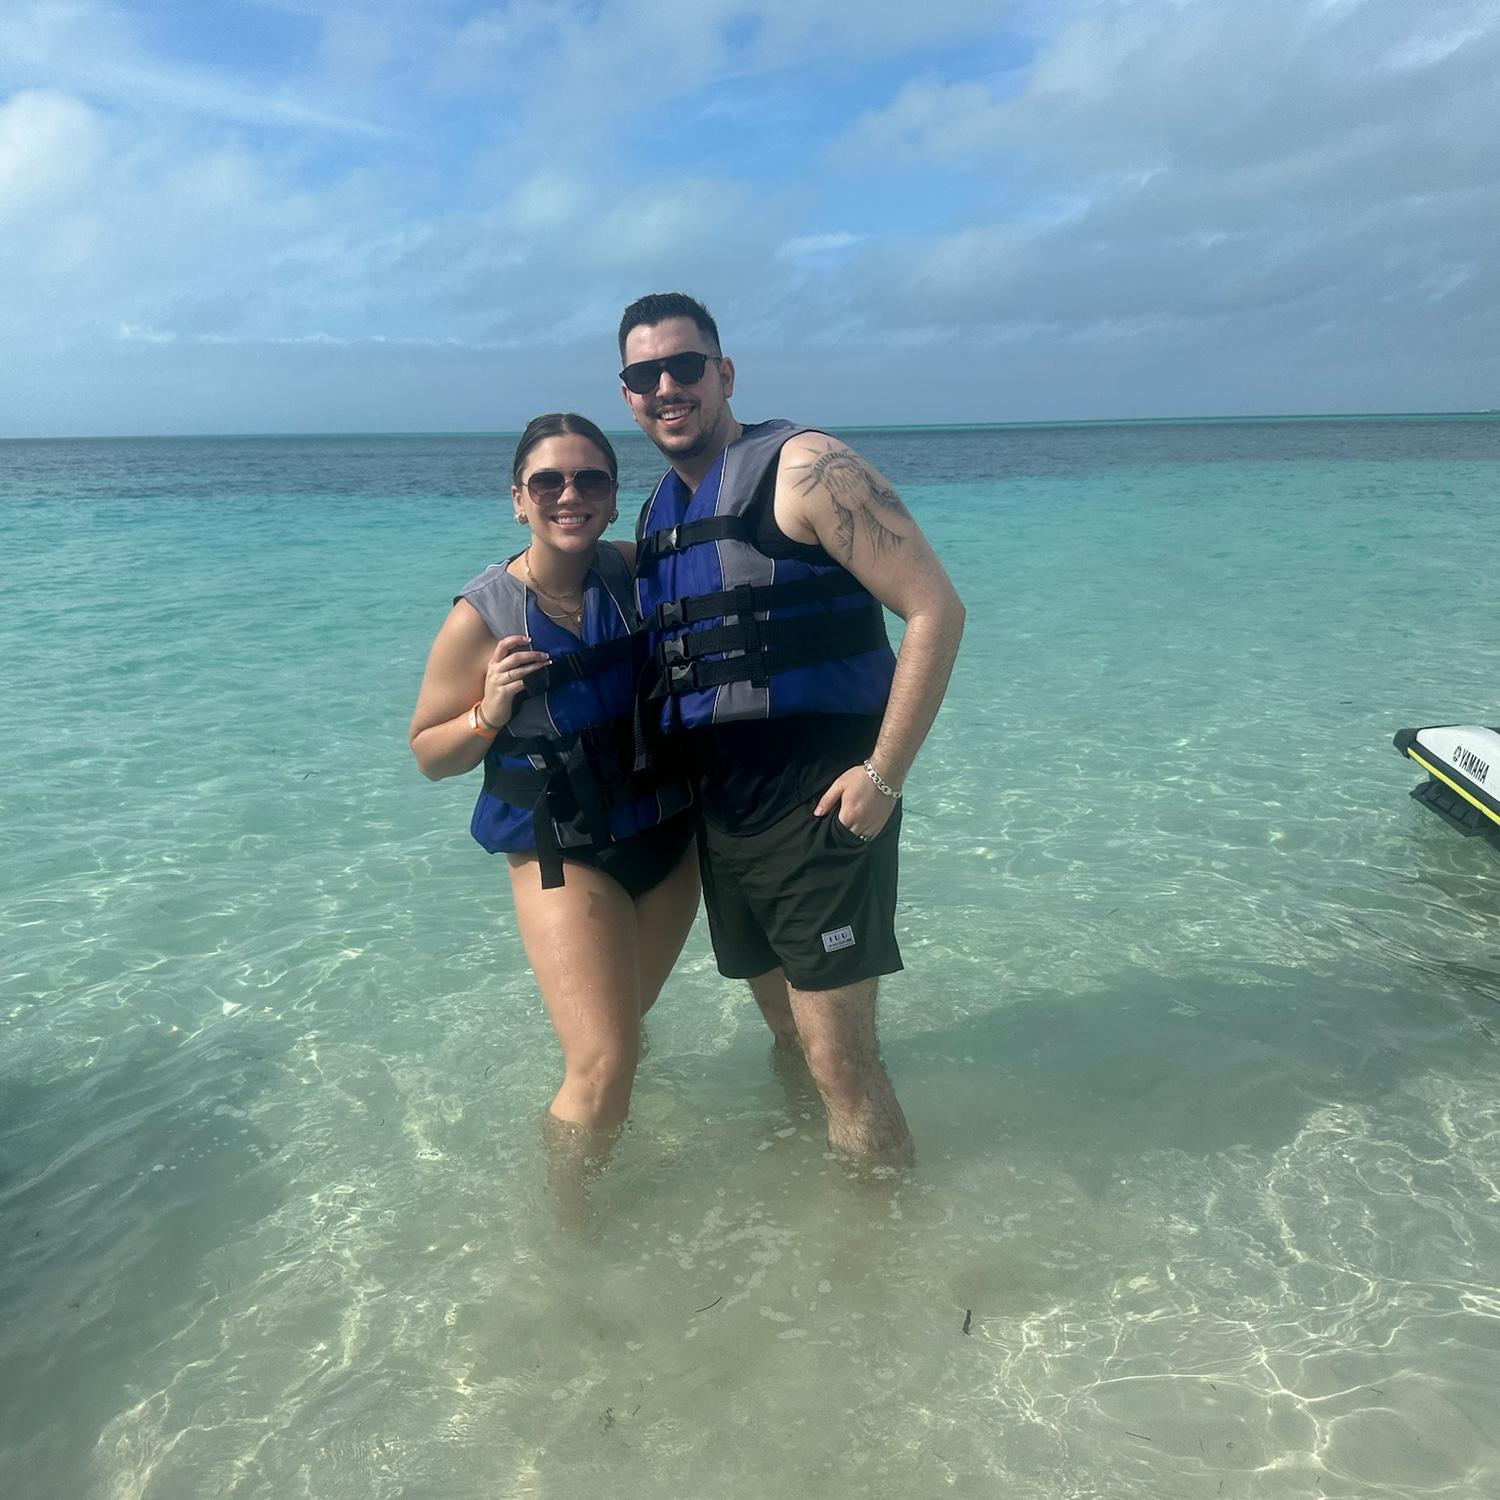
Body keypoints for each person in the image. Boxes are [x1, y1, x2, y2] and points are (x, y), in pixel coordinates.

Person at [618, 293, 965, 1163]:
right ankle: (810, 1235)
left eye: (685, 366)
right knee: (787, 1036)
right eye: (643, 374)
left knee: (843, 1062)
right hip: (725, 819)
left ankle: (884, 1264)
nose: (666, 385)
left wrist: (883, 778)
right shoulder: (658, 512)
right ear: (627, 395)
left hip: (820, 802)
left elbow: (936, 611)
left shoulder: (809, 468)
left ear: (723, 373)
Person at [407, 413, 700, 1151]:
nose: (570, 495)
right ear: (518, 498)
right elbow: (429, 755)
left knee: (625, 1033)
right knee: (601, 1067)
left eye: (590, 479)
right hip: (563, 852)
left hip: (666, 841)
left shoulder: (636, 575)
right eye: (548, 481)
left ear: (610, 493)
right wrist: (489, 711)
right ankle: (570, 1249)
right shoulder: (482, 618)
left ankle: (633, 1183)